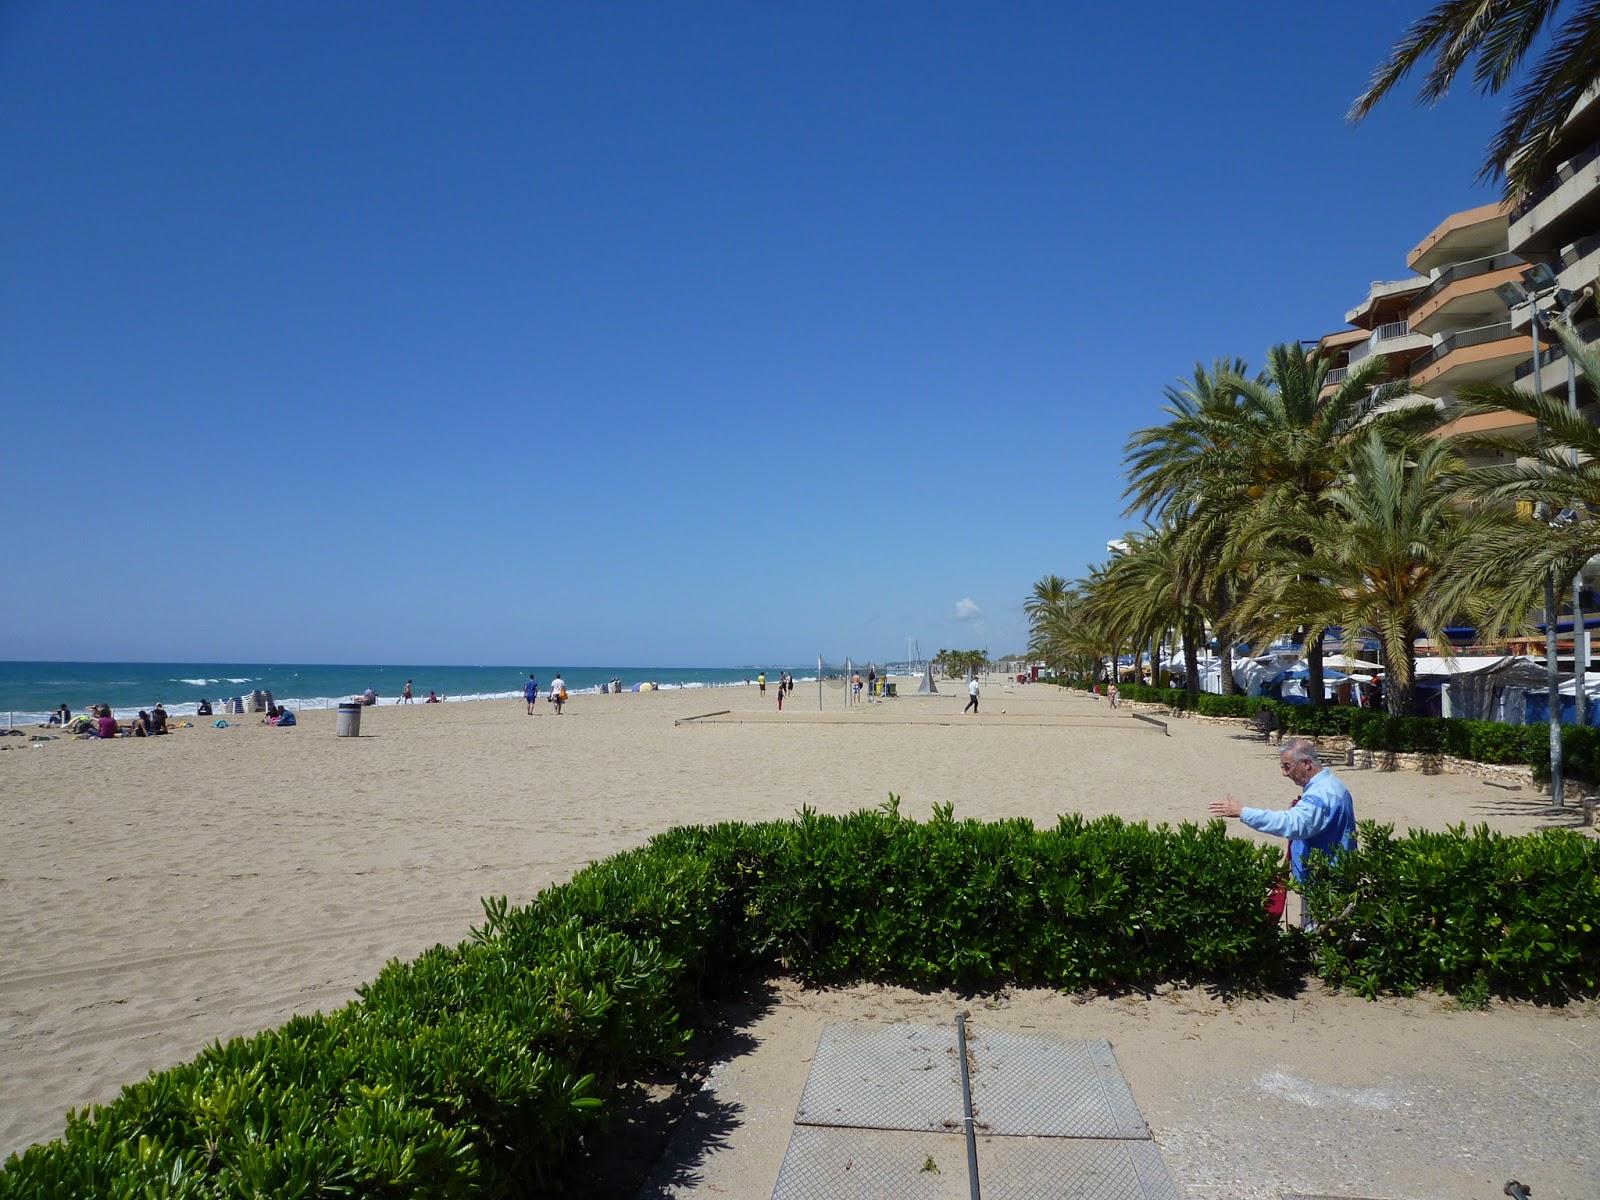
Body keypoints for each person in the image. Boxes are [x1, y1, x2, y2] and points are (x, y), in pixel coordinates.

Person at [1208, 737, 1357, 926]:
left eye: (1287, 766)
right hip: (1324, 879)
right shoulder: (1329, 786)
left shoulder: (1322, 794)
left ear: (1306, 764)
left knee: (1320, 941)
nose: (1284, 773)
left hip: (1326, 885)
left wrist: (1243, 812)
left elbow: (1292, 824)